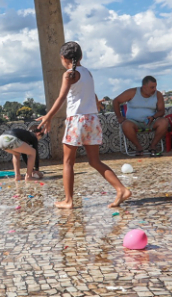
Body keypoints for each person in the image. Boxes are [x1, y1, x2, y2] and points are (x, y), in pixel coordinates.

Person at [37, 41, 131, 208]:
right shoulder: (87, 72)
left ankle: (68, 200)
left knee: (67, 162)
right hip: (92, 120)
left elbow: (61, 98)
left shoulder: (69, 74)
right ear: (81, 57)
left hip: (77, 121)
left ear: (63, 58)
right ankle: (121, 189)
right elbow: (92, 93)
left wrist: (48, 116)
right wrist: (97, 104)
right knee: (95, 161)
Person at [113, 76, 169, 157]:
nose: (154, 89)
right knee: (126, 125)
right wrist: (119, 116)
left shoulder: (158, 95)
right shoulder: (132, 92)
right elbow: (116, 101)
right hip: (133, 122)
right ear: (144, 87)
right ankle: (138, 147)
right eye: (152, 87)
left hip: (151, 121)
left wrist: (153, 117)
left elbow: (161, 111)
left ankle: (153, 146)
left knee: (164, 122)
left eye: (155, 87)